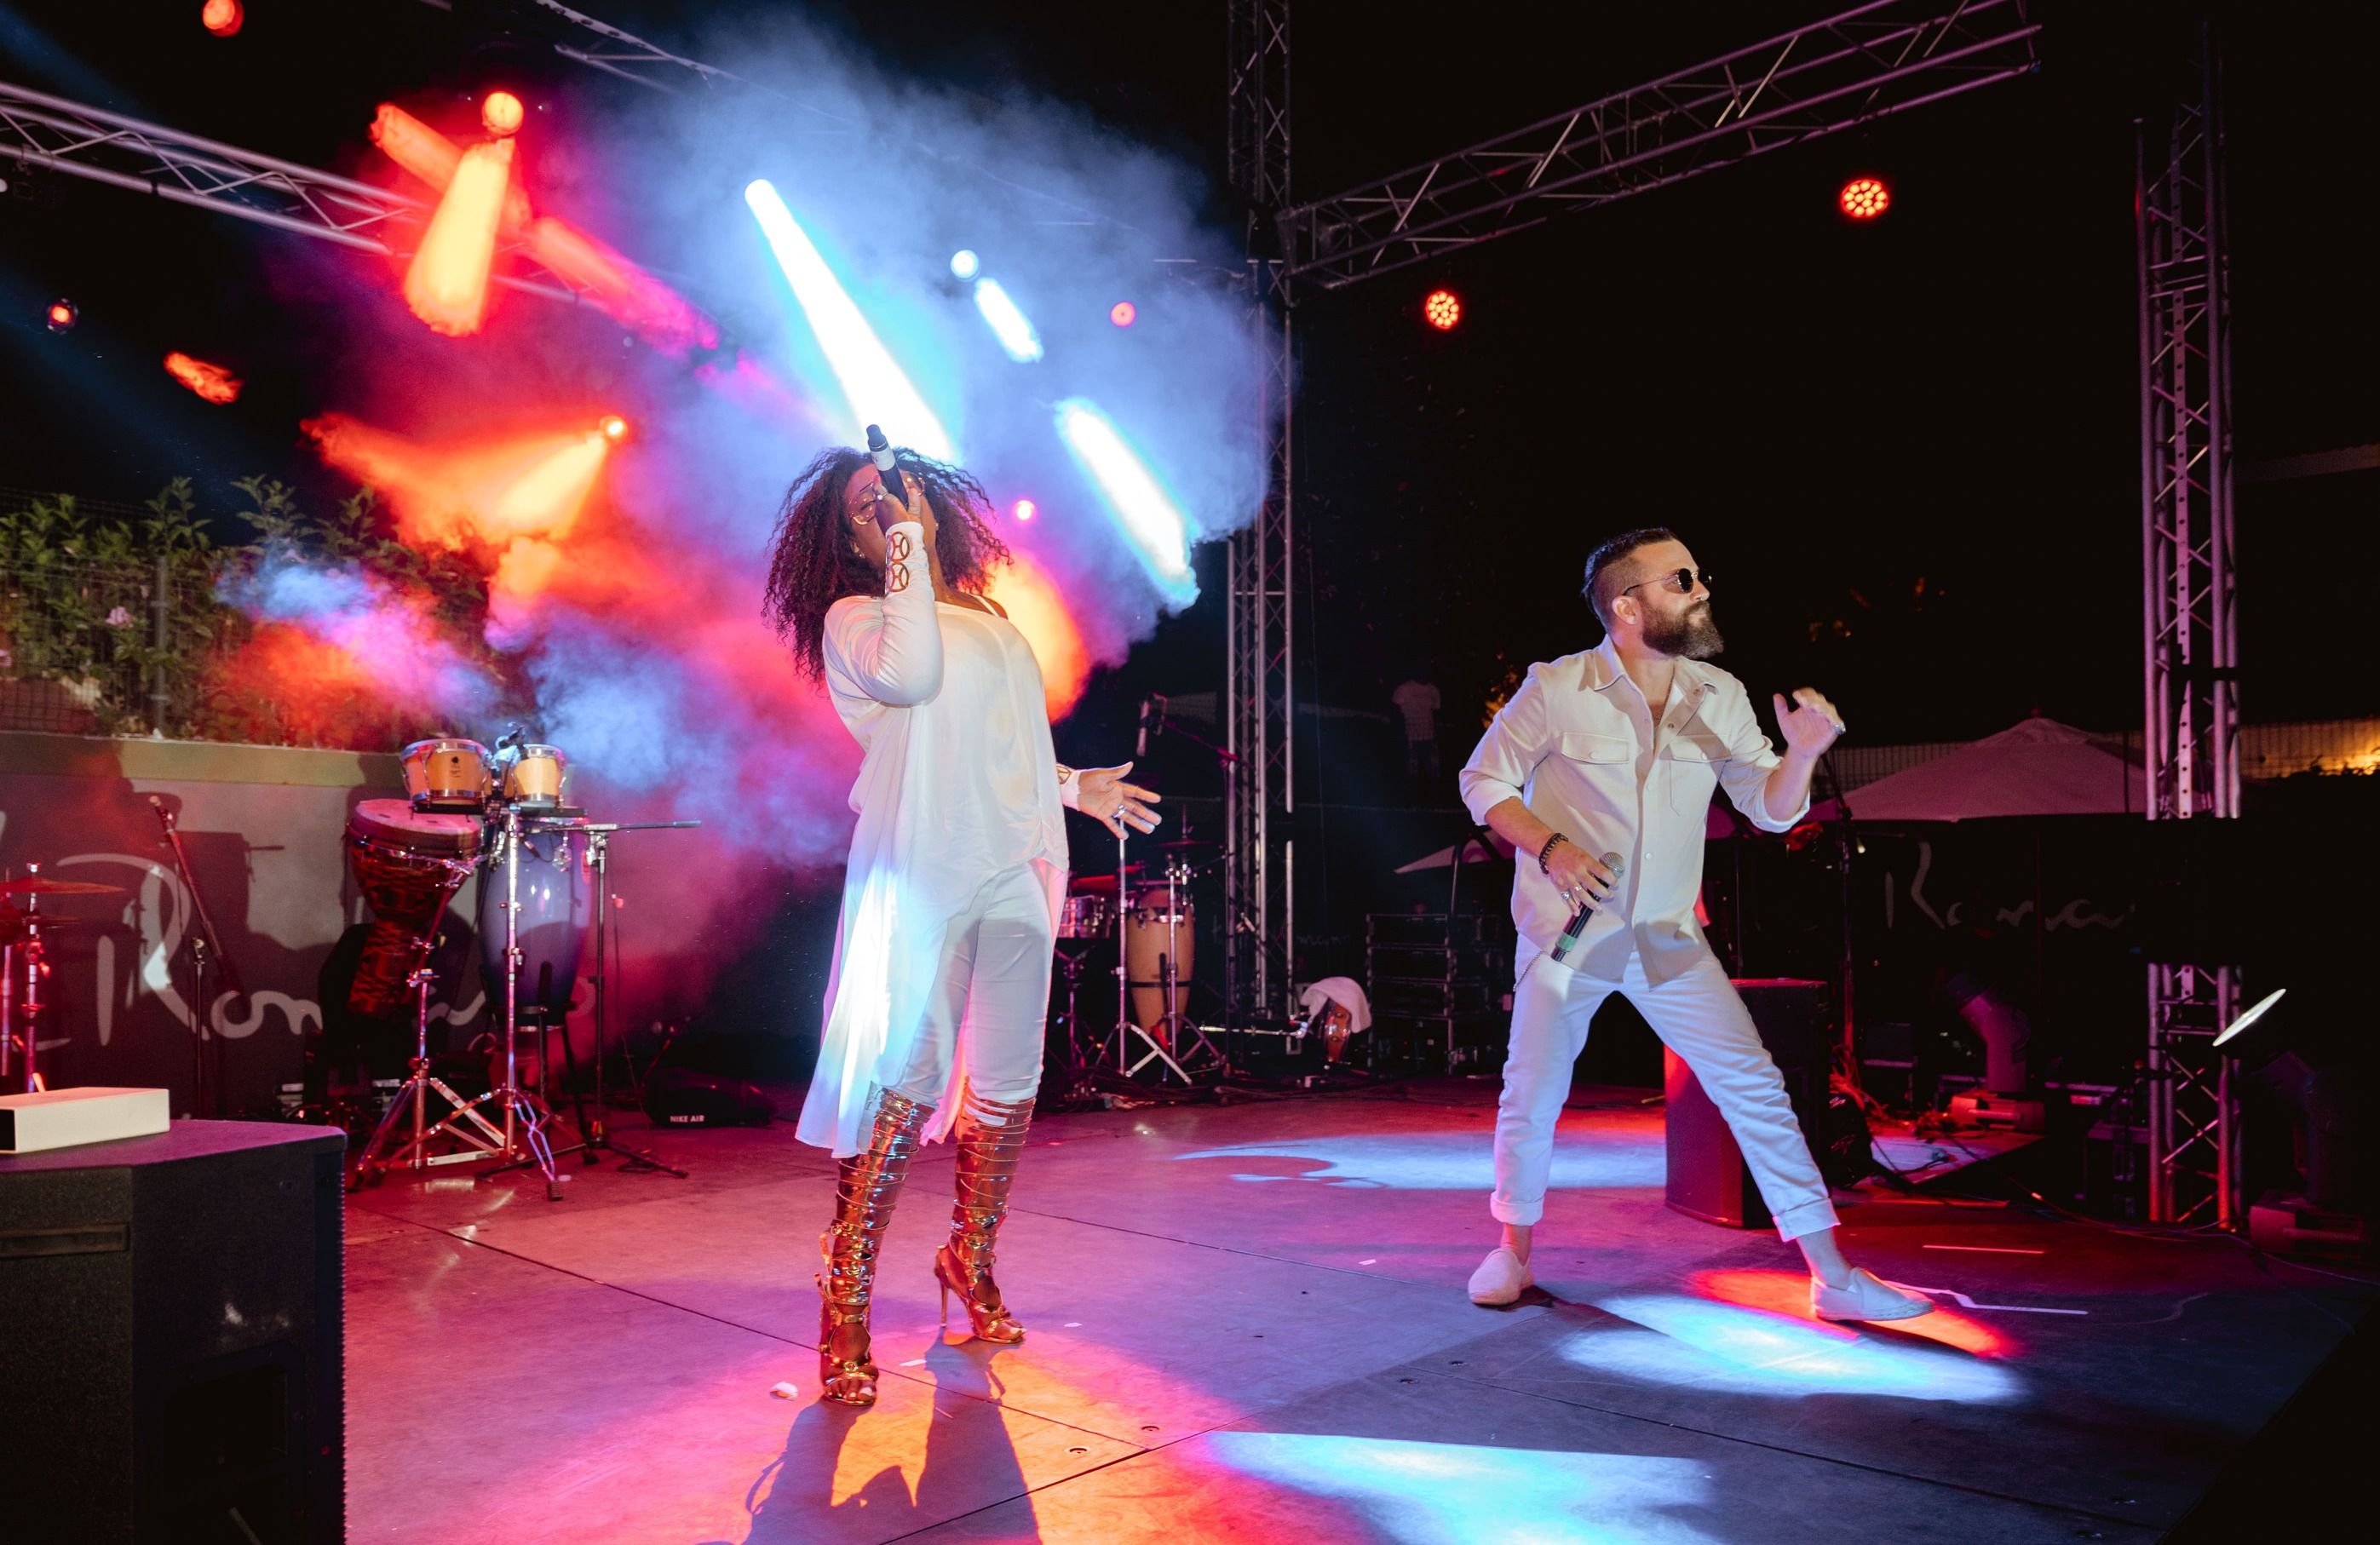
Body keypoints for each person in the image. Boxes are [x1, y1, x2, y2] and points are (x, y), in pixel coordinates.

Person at [763, 444, 1160, 1405]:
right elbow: (911, 678)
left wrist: (1073, 784)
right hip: (926, 865)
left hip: (1013, 861)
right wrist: (908, 550)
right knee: (905, 1078)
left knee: (1011, 1083)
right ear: (846, 540)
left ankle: (966, 1257)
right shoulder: (855, 617)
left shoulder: (985, 611)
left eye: (893, 495)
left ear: (930, 499)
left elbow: (1000, 742)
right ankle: (844, 1293)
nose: (881, 508)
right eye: (862, 507)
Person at [1456, 527, 1929, 1323]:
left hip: (1670, 938)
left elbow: (1770, 811)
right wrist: (1553, 845)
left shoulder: (1719, 696)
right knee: (1533, 1091)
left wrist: (1803, 754)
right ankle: (1513, 1251)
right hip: (1567, 936)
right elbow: (1482, 779)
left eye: (1697, 575)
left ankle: (1833, 1277)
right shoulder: (1559, 687)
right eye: (1681, 579)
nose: (1701, 587)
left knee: (1754, 1087)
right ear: (1627, 606)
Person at [1392, 678, 1443, 798]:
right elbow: (1395, 711)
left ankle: (1436, 802)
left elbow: (1436, 713)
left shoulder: (1432, 690)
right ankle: (1411, 801)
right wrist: (1400, 732)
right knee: (1412, 771)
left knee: (1434, 772)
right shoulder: (1404, 689)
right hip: (1410, 735)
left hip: (1429, 736)